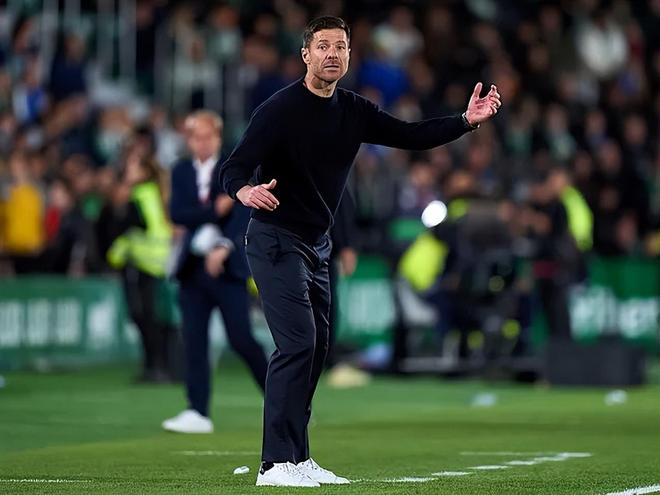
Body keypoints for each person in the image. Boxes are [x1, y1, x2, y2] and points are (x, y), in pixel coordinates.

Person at [219, 16, 501, 487]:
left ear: (350, 55)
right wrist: (245, 192)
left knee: (317, 350)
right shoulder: (279, 108)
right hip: (274, 239)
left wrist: (464, 122)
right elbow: (234, 167)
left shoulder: (353, 110)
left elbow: (410, 135)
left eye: (341, 46)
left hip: (317, 246)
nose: (332, 53)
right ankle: (274, 464)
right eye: (323, 46)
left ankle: (298, 459)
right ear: (305, 54)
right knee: (298, 344)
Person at [163, 110, 268, 433]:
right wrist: (213, 210)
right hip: (193, 268)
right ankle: (197, 410)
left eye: (208, 136)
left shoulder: (234, 168)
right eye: (196, 137)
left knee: (241, 339)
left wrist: (225, 244)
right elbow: (177, 214)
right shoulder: (181, 171)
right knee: (194, 341)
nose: (202, 143)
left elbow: (244, 213)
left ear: (218, 137)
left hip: (228, 269)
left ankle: (283, 400)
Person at [106, 151, 173, 382]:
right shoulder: (154, 192)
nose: (128, 171)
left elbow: (134, 227)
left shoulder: (139, 194)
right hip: (158, 262)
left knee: (143, 316)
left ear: (144, 172)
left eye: (133, 167)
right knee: (151, 317)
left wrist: (116, 251)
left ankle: (154, 366)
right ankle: (158, 366)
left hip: (142, 262)